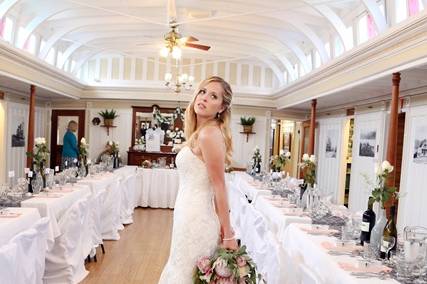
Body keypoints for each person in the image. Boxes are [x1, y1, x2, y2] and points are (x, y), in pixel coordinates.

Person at [159, 76, 237, 283]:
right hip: (186, 214)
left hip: (197, 218)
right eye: (202, 91)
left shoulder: (209, 134)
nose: (203, 98)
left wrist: (227, 234)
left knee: (186, 274)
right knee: (181, 269)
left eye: (213, 96)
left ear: (221, 107)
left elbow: (219, 186)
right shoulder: (200, 132)